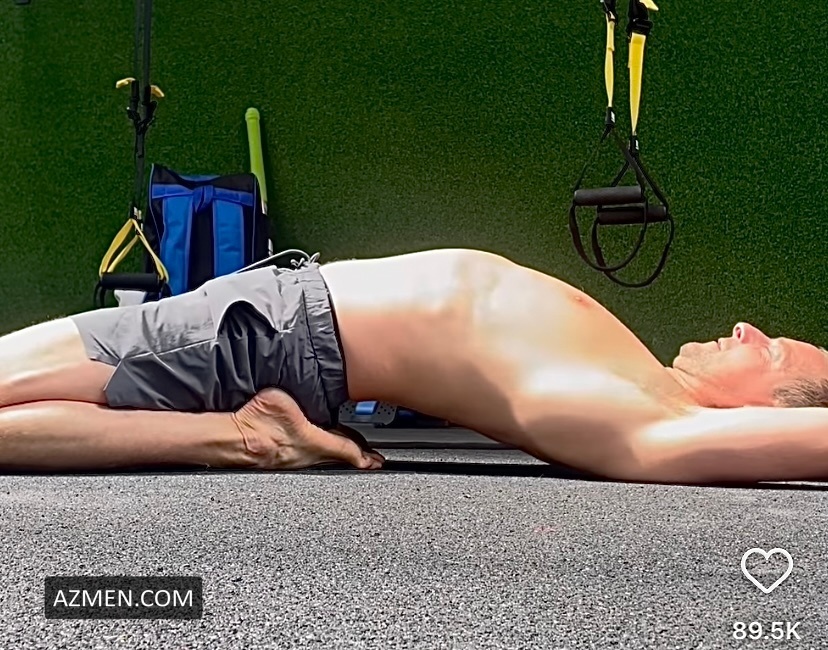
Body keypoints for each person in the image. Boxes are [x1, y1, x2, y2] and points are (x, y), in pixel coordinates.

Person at [0, 248, 826, 482]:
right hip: (278, 322)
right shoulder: (638, 377)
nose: (749, 329)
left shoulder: (639, 419)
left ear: (763, 414)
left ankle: (247, 440)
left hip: (267, 330)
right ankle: (244, 437)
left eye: (774, 349)